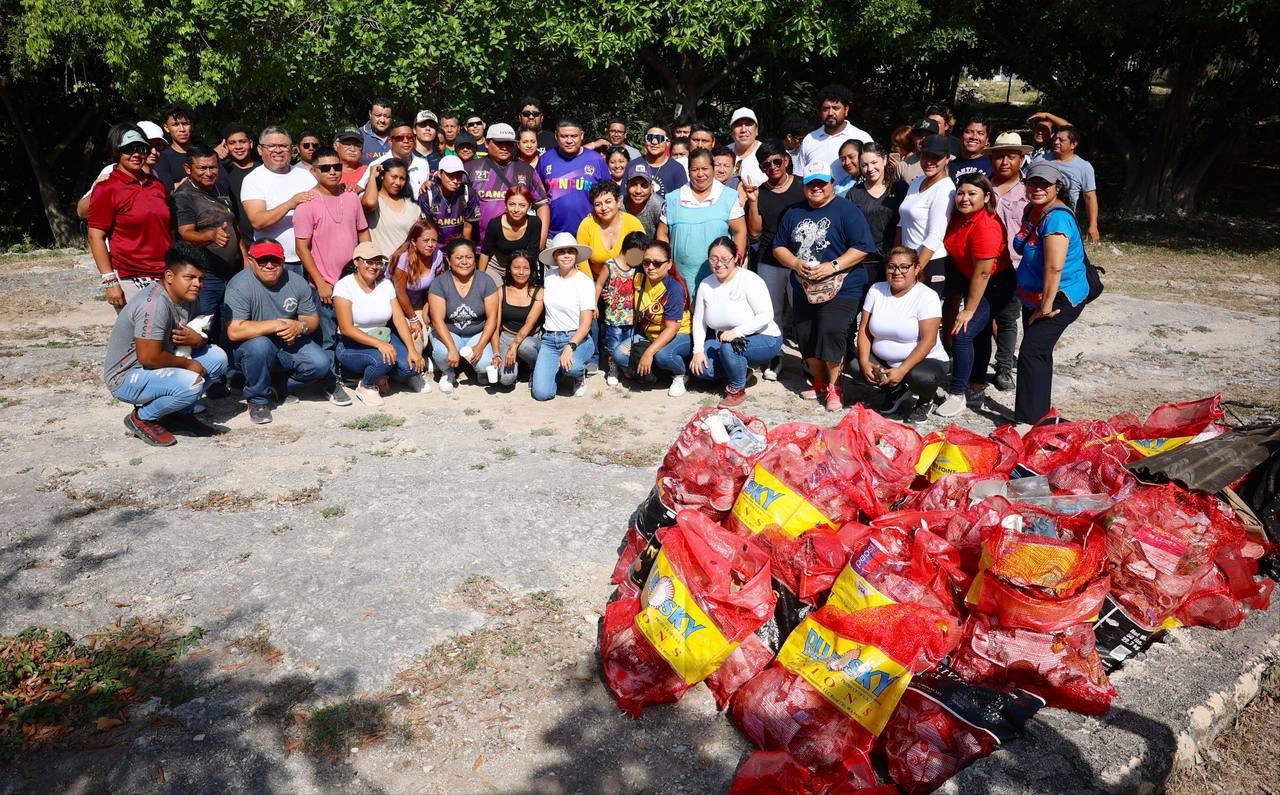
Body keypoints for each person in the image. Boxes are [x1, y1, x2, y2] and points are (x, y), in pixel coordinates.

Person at [772, 169, 877, 412]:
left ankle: (835, 385)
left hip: (843, 285)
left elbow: (862, 247)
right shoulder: (794, 212)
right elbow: (779, 246)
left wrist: (833, 266)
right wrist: (796, 263)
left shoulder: (847, 210)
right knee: (805, 334)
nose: (816, 188)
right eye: (811, 184)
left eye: (822, 183)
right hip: (805, 286)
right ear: (804, 185)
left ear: (831, 183)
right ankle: (819, 381)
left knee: (831, 331)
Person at [104, 242, 228, 446]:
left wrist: (199, 340)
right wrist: (190, 365)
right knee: (192, 384)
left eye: (201, 278)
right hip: (128, 375)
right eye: (190, 277)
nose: (197, 284)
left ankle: (179, 414)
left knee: (217, 358)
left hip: (161, 361)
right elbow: (149, 357)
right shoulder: (154, 305)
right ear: (169, 277)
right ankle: (144, 417)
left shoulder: (188, 296)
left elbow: (197, 332)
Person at [227, 239, 347, 423]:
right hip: (252, 346)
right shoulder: (239, 284)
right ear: (251, 260)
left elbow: (312, 319)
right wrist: (277, 325)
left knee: (320, 363)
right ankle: (258, 399)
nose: (269, 265)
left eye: (274, 260)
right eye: (262, 260)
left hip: (288, 342)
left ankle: (279, 386)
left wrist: (300, 326)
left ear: (283, 261)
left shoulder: (296, 282)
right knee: (260, 346)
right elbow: (234, 331)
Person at [1012, 161, 1091, 425]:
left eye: (1045, 183)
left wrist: (1045, 307)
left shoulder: (1056, 217)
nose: (1038, 188)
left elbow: (1054, 267)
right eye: (1033, 182)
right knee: (1039, 353)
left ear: (1058, 187)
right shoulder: (1031, 210)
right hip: (1033, 295)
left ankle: (1027, 422)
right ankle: (1039, 416)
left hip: (1057, 296)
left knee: (1032, 352)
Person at [935, 173, 1017, 418]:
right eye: (961, 193)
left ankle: (957, 394)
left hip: (994, 284)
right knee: (978, 335)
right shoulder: (958, 218)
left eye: (972, 194)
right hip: (970, 279)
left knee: (963, 331)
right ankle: (976, 385)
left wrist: (968, 309)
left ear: (987, 197)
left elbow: (983, 273)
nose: (965, 198)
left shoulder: (986, 225)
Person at [293, 147, 370, 370]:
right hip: (326, 283)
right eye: (326, 168)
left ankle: (352, 373)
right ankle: (330, 380)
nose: (333, 172)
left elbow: (363, 232)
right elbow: (302, 248)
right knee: (328, 337)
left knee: (354, 330)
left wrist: (367, 265)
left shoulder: (351, 197)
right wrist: (320, 282)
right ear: (314, 171)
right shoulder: (306, 203)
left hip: (353, 280)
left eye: (337, 167)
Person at [173, 145, 249, 371]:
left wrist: (244, 256)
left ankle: (231, 369)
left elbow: (234, 225)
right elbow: (185, 232)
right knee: (205, 323)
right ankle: (207, 372)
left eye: (213, 167)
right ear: (188, 169)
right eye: (202, 168)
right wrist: (210, 236)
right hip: (206, 273)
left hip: (232, 270)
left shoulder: (221, 188)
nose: (209, 173)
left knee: (231, 320)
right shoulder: (184, 196)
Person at [857, 246, 949, 424]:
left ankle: (925, 400)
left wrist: (902, 370)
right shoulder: (876, 289)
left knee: (921, 378)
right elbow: (864, 330)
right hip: (884, 360)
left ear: (916, 269)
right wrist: (864, 362)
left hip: (925, 360)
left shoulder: (927, 296)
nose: (897, 272)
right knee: (856, 365)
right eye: (891, 266)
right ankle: (896, 390)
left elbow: (928, 341)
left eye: (904, 267)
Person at [88, 125, 174, 311]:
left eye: (141, 148)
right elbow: (96, 236)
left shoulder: (157, 185)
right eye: (129, 148)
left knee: (169, 336)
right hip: (130, 277)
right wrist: (110, 282)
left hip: (164, 274)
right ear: (116, 151)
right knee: (142, 338)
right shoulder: (106, 188)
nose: (136, 154)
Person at [689, 236, 782, 407]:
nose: (719, 264)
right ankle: (741, 370)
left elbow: (766, 315)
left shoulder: (750, 280)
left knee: (729, 348)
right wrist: (698, 351)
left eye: (725, 259)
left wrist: (737, 332)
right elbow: (699, 321)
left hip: (764, 337)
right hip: (726, 340)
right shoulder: (705, 285)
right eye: (713, 259)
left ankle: (736, 389)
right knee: (703, 369)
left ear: (736, 257)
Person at [333, 241, 426, 405]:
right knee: (383, 360)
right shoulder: (344, 286)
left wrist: (412, 349)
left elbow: (398, 319)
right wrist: (379, 345)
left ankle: (385, 375)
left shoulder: (385, 284)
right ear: (356, 262)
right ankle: (366, 384)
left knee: (411, 366)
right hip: (352, 343)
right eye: (369, 261)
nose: (374, 266)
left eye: (378, 262)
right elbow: (347, 329)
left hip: (383, 336)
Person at [743, 139, 805, 380]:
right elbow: (755, 231)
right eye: (766, 164)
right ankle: (775, 354)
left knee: (801, 311)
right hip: (769, 259)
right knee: (771, 312)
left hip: (800, 259)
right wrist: (753, 201)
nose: (772, 167)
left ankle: (808, 360)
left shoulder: (802, 187)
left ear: (786, 160)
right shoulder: (761, 192)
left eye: (777, 161)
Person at [656, 149, 747, 294]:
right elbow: (662, 233)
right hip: (680, 278)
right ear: (688, 171)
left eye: (705, 169)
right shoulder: (673, 198)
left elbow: (740, 232)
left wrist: (735, 263)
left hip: (720, 277)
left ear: (713, 169)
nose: (700, 174)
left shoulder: (729, 197)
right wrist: (664, 264)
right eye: (694, 169)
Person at [613, 239, 693, 397]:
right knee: (619, 355)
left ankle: (680, 374)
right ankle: (656, 372)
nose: (650, 267)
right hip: (648, 334)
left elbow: (672, 328)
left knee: (663, 356)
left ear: (669, 264)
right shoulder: (639, 277)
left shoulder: (674, 288)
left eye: (657, 263)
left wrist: (648, 353)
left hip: (679, 334)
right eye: (646, 262)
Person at [987, 131, 1032, 392]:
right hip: (983, 265)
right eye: (1000, 156)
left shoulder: (1030, 189)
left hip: (1016, 264)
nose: (1005, 161)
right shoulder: (981, 187)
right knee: (981, 318)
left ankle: (1004, 367)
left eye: (1011, 156)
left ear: (1021, 159)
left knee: (1007, 318)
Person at [240, 126, 317, 271]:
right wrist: (289, 204)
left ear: (291, 149)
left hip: (312, 257)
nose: (278, 150)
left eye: (283, 146)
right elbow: (257, 221)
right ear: (259, 150)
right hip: (275, 262)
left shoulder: (306, 175)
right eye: (271, 146)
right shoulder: (253, 179)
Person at [427, 238, 500, 391]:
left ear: (475, 258)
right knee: (443, 353)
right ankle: (448, 371)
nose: (464, 262)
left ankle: (478, 370)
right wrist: (451, 348)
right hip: (450, 331)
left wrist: (480, 346)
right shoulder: (439, 283)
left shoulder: (486, 281)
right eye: (459, 258)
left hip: (477, 333)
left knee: (485, 364)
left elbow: (492, 318)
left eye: (469, 257)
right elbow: (437, 320)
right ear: (449, 259)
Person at [531, 233, 596, 400]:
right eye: (561, 251)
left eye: (570, 251)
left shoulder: (584, 282)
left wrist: (570, 346)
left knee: (572, 367)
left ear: (576, 255)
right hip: (550, 340)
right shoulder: (548, 277)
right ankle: (556, 370)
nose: (566, 255)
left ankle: (578, 375)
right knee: (541, 394)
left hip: (576, 338)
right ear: (554, 256)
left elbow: (586, 323)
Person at [466, 122, 549, 251]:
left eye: (509, 143)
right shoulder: (471, 168)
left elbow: (542, 205)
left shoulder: (526, 170)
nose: (505, 147)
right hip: (480, 250)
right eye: (499, 143)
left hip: (519, 252)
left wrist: (540, 242)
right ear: (487, 143)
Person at [895, 134, 955, 299]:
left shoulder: (945, 189)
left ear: (947, 159)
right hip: (906, 261)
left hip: (929, 263)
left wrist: (916, 269)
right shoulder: (917, 181)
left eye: (936, 157)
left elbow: (935, 236)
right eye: (925, 155)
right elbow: (902, 222)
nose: (929, 161)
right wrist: (896, 257)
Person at [846, 142, 908, 289]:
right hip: (864, 262)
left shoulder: (900, 188)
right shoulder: (854, 193)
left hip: (895, 260)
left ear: (885, 160)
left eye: (874, 162)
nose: (870, 169)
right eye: (864, 165)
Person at [539, 119, 609, 237]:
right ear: (556, 136)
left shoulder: (596, 160)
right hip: (553, 235)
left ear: (581, 136)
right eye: (564, 136)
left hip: (590, 232)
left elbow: (609, 194)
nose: (569, 141)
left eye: (574, 136)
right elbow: (537, 196)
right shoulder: (545, 160)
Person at [795, 84, 874, 179]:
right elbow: (799, 177)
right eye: (826, 109)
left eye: (836, 108)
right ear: (820, 111)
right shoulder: (810, 140)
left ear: (846, 110)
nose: (830, 113)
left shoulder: (862, 137)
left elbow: (873, 173)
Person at [392, 218, 444, 359]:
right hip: (395, 304)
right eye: (426, 240)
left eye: (434, 240)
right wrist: (413, 319)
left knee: (425, 334)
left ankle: (433, 358)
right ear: (414, 242)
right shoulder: (403, 258)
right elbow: (399, 291)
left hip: (418, 302)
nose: (431, 245)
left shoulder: (438, 255)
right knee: (417, 336)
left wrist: (427, 307)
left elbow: (438, 286)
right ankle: (411, 371)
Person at [491, 250, 544, 387]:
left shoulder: (539, 291)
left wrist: (514, 346)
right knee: (506, 380)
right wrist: (497, 352)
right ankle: (519, 366)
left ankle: (534, 368)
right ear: (509, 269)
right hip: (507, 337)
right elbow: (495, 325)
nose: (521, 272)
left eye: (525, 268)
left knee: (525, 348)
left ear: (532, 270)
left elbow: (530, 323)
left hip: (530, 338)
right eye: (516, 267)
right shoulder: (501, 291)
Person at [599, 231, 645, 386]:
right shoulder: (610, 265)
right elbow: (599, 285)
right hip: (614, 317)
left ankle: (625, 366)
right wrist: (593, 306)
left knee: (628, 344)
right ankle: (613, 369)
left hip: (632, 317)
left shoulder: (637, 268)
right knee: (613, 344)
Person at [577, 180, 645, 278]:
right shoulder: (587, 225)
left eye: (608, 202)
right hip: (595, 284)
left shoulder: (633, 224)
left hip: (628, 283)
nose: (603, 207)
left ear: (617, 202)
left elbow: (639, 260)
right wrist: (593, 287)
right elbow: (582, 261)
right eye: (598, 204)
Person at [361, 158, 422, 262]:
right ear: (382, 176)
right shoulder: (371, 198)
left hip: (405, 267)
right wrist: (372, 176)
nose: (398, 182)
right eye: (394, 177)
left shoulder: (413, 206)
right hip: (378, 266)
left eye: (402, 178)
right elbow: (370, 203)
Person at [479, 185, 543, 283]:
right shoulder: (494, 224)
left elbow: (533, 254)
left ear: (529, 207)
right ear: (505, 204)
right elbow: (485, 253)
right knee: (493, 292)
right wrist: (480, 279)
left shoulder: (535, 223)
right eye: (512, 204)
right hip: (497, 267)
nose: (516, 209)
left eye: (522, 205)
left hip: (521, 267)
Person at [1050, 126, 1100, 243]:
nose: (1056, 142)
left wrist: (1093, 225)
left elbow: (1090, 197)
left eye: (1062, 140)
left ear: (1073, 144)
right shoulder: (1041, 161)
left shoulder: (1084, 167)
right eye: (1055, 139)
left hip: (1067, 223)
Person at [417, 154, 479, 246]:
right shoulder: (428, 196)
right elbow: (427, 229)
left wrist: (465, 250)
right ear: (439, 174)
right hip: (436, 247)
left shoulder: (468, 193)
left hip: (458, 248)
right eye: (450, 175)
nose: (455, 180)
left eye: (459, 176)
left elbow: (467, 226)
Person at [358, 122, 430, 198]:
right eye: (400, 138)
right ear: (390, 141)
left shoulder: (423, 164)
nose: (406, 141)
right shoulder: (377, 164)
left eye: (410, 137)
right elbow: (359, 190)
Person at [219, 123, 258, 242]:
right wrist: (216, 157)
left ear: (250, 143)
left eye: (242, 141)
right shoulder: (220, 171)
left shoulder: (262, 171)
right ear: (225, 146)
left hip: (263, 236)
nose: (238, 146)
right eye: (232, 143)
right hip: (233, 239)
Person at [630, 123, 687, 198]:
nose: (654, 142)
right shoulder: (633, 165)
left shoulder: (677, 169)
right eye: (650, 138)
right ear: (644, 141)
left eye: (660, 138)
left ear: (668, 143)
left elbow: (682, 199)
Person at [151, 103, 194, 191]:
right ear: (166, 128)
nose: (182, 129)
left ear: (192, 126)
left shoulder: (203, 154)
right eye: (176, 124)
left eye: (185, 123)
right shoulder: (161, 158)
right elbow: (165, 188)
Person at [622, 161, 664, 237]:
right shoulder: (619, 205)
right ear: (626, 187)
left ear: (651, 188)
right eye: (634, 184)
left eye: (644, 185)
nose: (638, 191)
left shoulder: (658, 206)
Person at [728, 108, 766, 188]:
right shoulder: (724, 152)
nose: (743, 130)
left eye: (748, 124)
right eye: (738, 125)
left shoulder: (767, 153)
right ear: (731, 132)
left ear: (756, 130)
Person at [896, 118, 938, 184]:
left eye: (928, 136)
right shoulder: (902, 166)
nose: (923, 139)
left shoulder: (949, 161)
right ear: (913, 137)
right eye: (919, 135)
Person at [334, 126, 368, 191]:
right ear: (336, 146)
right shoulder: (327, 171)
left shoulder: (368, 172)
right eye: (347, 144)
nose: (352, 149)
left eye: (357, 145)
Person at [360, 97, 394, 164]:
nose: (382, 120)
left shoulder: (398, 136)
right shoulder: (358, 136)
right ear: (370, 114)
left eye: (387, 116)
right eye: (378, 115)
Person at [412, 111, 443, 179]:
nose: (428, 128)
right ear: (414, 130)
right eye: (423, 125)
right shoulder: (406, 158)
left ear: (436, 131)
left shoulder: (443, 161)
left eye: (432, 126)